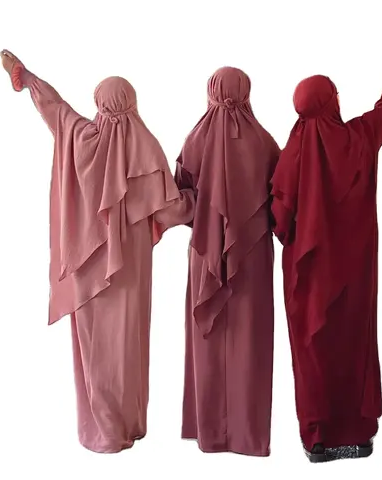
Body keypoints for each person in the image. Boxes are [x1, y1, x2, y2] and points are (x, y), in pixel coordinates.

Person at [0, 50, 194, 453]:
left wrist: (27, 77)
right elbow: (172, 209)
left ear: (99, 103)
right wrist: (201, 195)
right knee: (128, 346)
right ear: (132, 102)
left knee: (96, 350)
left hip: (89, 273)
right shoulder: (145, 146)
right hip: (131, 273)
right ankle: (130, 424)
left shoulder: (81, 139)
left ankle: (105, 430)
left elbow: (56, 110)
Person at [270, 25, 382, 462]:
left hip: (306, 277)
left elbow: (279, 220)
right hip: (354, 274)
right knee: (353, 343)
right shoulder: (360, 138)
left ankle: (317, 438)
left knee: (311, 352)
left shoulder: (290, 153)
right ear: (330, 102)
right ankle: (358, 435)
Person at [173, 67, 280, 456]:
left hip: (206, 258)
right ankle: (248, 435)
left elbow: (180, 199)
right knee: (250, 343)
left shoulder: (194, 140)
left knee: (211, 340)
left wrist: (207, 219)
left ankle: (210, 432)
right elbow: (281, 200)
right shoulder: (265, 143)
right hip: (251, 258)